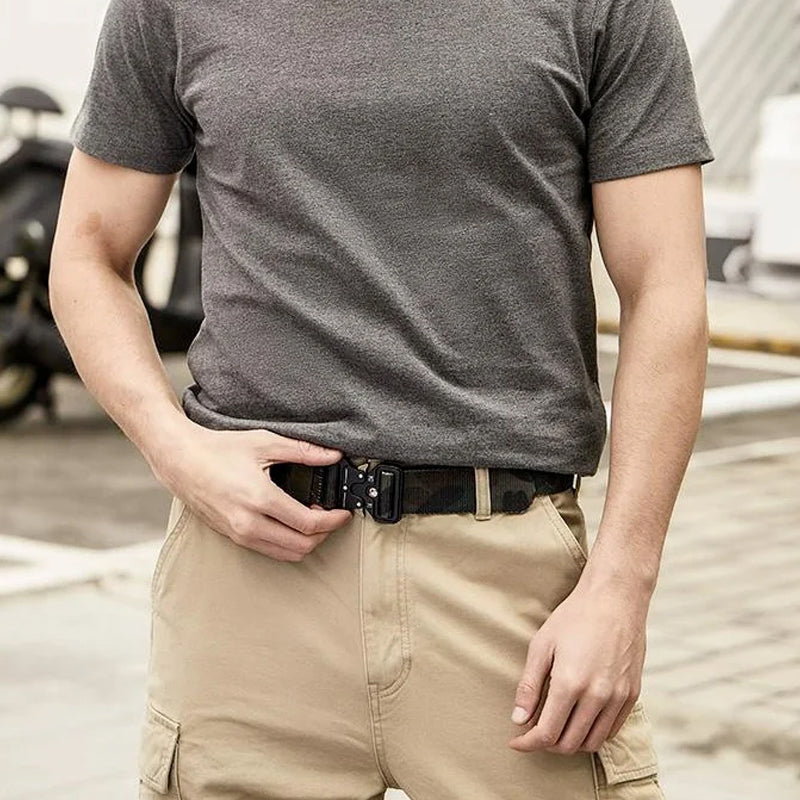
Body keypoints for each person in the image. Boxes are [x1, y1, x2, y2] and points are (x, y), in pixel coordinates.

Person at [51, 0, 714, 797]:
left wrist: (622, 588)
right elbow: (87, 251)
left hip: (506, 591)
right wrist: (172, 447)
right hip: (248, 586)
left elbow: (666, 292)